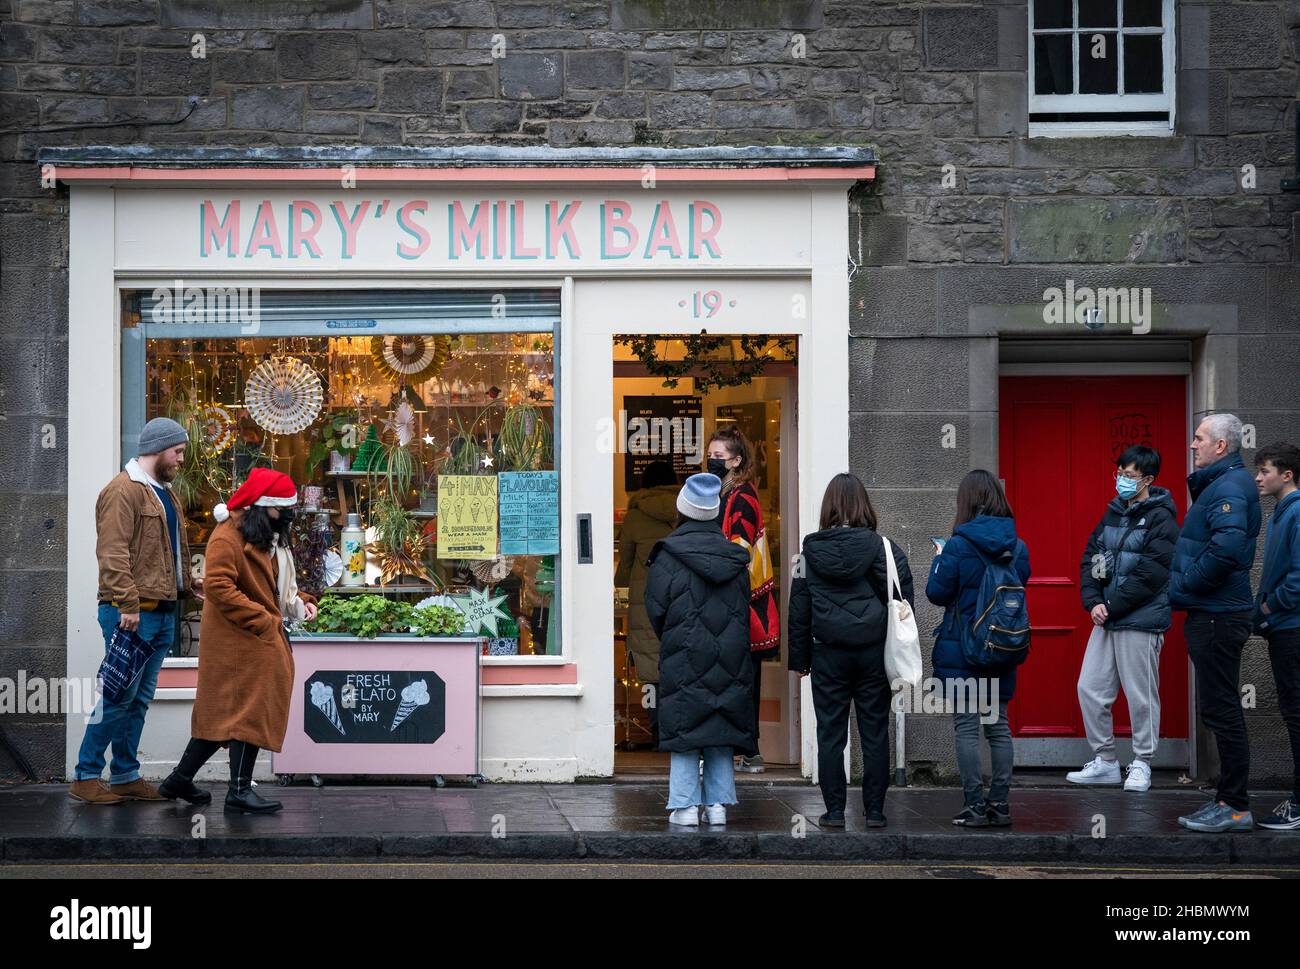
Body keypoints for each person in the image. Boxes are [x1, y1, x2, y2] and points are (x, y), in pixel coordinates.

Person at [157, 468, 315, 814]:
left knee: (229, 715)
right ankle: (239, 791)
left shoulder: (265, 534)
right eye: (281, 509)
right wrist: (263, 620)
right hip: (237, 640)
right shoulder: (227, 535)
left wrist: (299, 599)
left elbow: (272, 582)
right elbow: (218, 586)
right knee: (244, 713)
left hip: (253, 639)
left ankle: (179, 780)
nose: (286, 516)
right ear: (263, 507)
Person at [70, 417, 200, 805]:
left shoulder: (164, 492)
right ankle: (86, 774)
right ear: (159, 448)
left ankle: (125, 774)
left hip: (160, 612)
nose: (180, 459)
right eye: (177, 451)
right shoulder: (123, 491)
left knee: (139, 699)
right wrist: (127, 603)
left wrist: (189, 586)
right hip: (130, 613)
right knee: (116, 695)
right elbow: (112, 553)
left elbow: (163, 553)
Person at [788, 473, 913, 828]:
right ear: (865, 506)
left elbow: (799, 610)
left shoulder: (807, 553)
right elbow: (904, 602)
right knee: (874, 732)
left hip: (828, 654)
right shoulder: (885, 549)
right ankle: (874, 811)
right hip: (874, 654)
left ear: (828, 507)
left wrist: (800, 661)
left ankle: (833, 811)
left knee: (830, 734)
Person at [644, 473, 755, 826]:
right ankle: (719, 805)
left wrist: (678, 636)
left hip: (684, 651)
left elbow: (656, 610)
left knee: (684, 727)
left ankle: (685, 806)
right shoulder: (737, 559)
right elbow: (742, 608)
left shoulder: (667, 554)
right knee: (720, 723)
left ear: (683, 509)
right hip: (731, 654)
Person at [1069, 445, 1180, 793]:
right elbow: (1091, 558)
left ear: (1148, 479)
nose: (1121, 481)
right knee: (1089, 688)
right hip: (1107, 618)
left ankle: (1142, 762)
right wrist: (1092, 602)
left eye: (1129, 476)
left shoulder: (1162, 518)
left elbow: (1152, 574)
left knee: (1140, 694)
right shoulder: (1113, 513)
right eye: (1119, 474)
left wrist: (1111, 605)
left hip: (1140, 620)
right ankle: (1104, 761)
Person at [1171, 414, 1261, 833]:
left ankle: (1236, 806)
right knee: (1218, 707)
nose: (1193, 445)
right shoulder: (1225, 484)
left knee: (1222, 709)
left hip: (1218, 615)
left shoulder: (1228, 486)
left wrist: (1187, 584)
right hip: (1213, 612)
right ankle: (1228, 800)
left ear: (1221, 446)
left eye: (1199, 438)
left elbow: (1225, 550)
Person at [926, 470, 1031, 828]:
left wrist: (940, 557)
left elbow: (937, 593)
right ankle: (999, 806)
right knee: (999, 726)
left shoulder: (958, 545)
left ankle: (974, 806)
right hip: (1001, 647)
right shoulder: (1017, 547)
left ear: (966, 502)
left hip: (963, 648)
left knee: (968, 727)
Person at [707, 427, 779, 773]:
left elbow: (739, 552)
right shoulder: (725, 493)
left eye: (719, 457)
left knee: (742, 681)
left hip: (743, 605)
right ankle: (742, 750)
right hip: (735, 604)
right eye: (710, 455)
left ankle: (748, 750)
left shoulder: (741, 498)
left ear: (736, 460)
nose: (712, 461)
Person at [1252, 442, 1300, 830]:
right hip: (1284, 627)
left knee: (1297, 713)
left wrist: (1270, 607)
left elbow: (1298, 576)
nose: (1258, 477)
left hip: (1292, 628)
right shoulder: (1282, 513)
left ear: (1287, 475)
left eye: (1264, 470)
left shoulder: (1297, 512)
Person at [614, 460, 679, 745]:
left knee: (650, 669)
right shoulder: (686, 511)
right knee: (678, 662)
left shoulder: (635, 516)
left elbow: (624, 568)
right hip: (679, 596)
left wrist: (620, 585)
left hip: (645, 600)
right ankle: (679, 728)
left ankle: (657, 731)